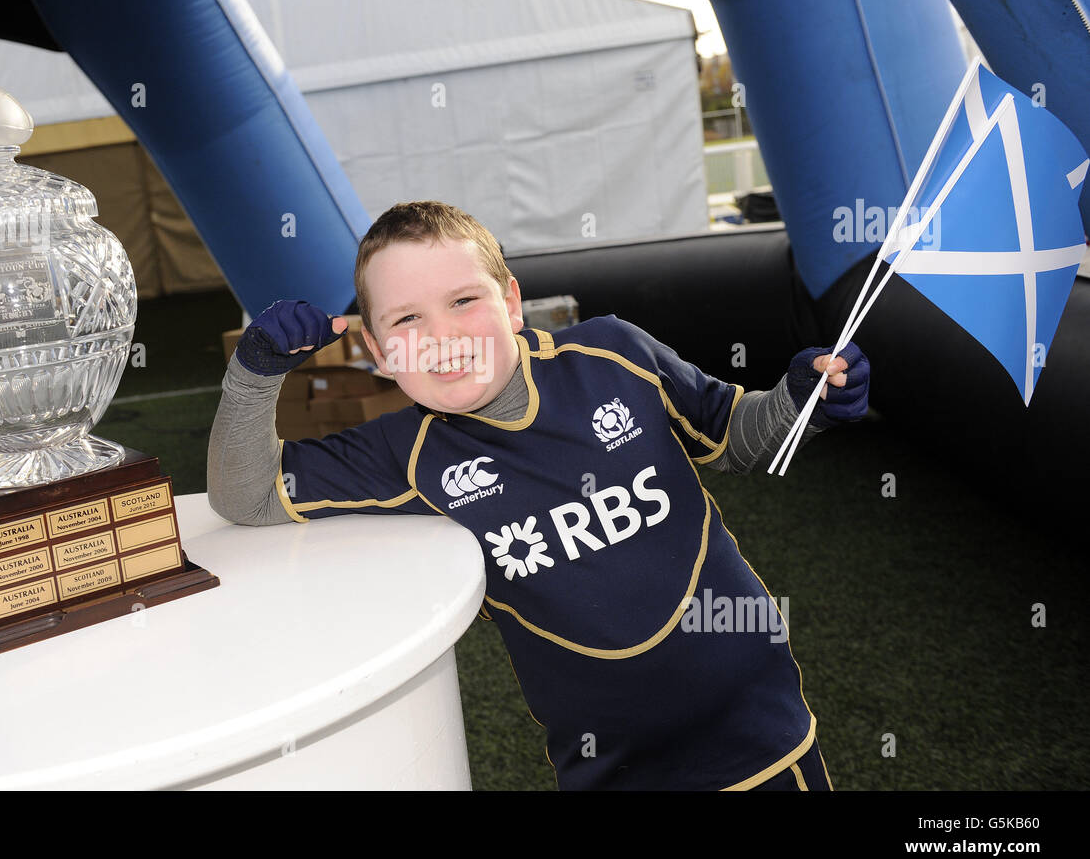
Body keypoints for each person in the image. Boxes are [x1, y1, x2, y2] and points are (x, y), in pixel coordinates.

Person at [208, 200, 870, 790]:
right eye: (407, 318)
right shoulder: (399, 456)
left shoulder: (612, 354)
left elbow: (731, 436)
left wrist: (803, 400)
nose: (442, 336)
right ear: (379, 352)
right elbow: (249, 495)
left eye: (464, 300)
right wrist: (255, 371)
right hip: (611, 767)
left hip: (759, 726)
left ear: (513, 302)